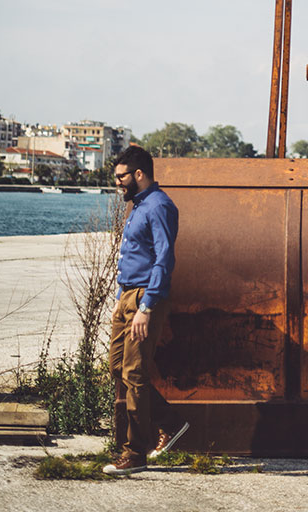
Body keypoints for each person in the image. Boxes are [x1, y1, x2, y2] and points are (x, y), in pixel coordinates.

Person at [103, 145, 189, 476]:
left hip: (144, 300)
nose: (118, 184)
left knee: (135, 374)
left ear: (139, 174)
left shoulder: (159, 206)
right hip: (127, 298)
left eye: (121, 177)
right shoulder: (137, 205)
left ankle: (134, 453)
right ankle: (170, 421)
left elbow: (164, 260)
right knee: (117, 368)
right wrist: (120, 299)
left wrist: (146, 306)